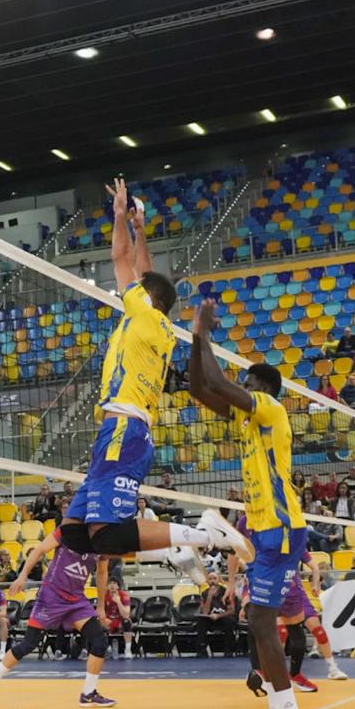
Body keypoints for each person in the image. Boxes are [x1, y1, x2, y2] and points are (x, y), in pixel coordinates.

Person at [59, 180, 247, 569]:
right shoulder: (159, 322)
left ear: (146, 297)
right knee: (75, 535)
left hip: (124, 428)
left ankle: (205, 533)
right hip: (123, 428)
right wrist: (141, 228)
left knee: (108, 534)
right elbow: (147, 273)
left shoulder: (143, 314)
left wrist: (119, 216)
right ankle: (176, 554)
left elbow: (121, 258)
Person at [187, 297, 312, 709]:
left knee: (261, 620)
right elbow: (201, 388)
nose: (239, 387)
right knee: (257, 621)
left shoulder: (270, 409)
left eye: (247, 383)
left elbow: (218, 380)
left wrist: (203, 330)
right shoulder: (245, 419)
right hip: (263, 531)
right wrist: (193, 341)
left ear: (261, 388)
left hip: (280, 528)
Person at [0, 530, 118, 709]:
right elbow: (39, 550)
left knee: (99, 641)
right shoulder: (68, 530)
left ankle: (88, 693)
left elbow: (102, 573)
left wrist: (100, 606)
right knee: (28, 644)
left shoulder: (102, 542)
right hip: (51, 596)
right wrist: (22, 576)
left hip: (76, 599)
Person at [275, 558, 347, 689]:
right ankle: (274, 672)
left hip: (299, 596)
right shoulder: (271, 546)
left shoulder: (296, 544)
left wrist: (315, 585)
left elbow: (315, 567)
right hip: (279, 596)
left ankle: (333, 668)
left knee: (318, 630)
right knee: (282, 633)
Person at [196, 572, 239, 658]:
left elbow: (231, 611)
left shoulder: (226, 592)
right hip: (211, 618)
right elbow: (205, 612)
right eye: (210, 579)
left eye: (214, 578)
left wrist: (218, 616)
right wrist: (209, 597)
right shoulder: (204, 593)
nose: (212, 581)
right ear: (207, 581)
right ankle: (202, 650)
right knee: (201, 622)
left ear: (219, 580)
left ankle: (229, 650)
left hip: (224, 617)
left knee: (229, 622)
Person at [102, 579, 135, 659]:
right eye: (110, 583)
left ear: (118, 586)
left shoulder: (124, 595)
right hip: (108, 620)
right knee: (96, 622)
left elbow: (126, 615)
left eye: (114, 583)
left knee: (127, 622)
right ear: (107, 586)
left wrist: (118, 602)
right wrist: (103, 620)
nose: (112, 585)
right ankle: (104, 649)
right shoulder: (103, 596)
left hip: (121, 620)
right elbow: (100, 612)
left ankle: (127, 650)